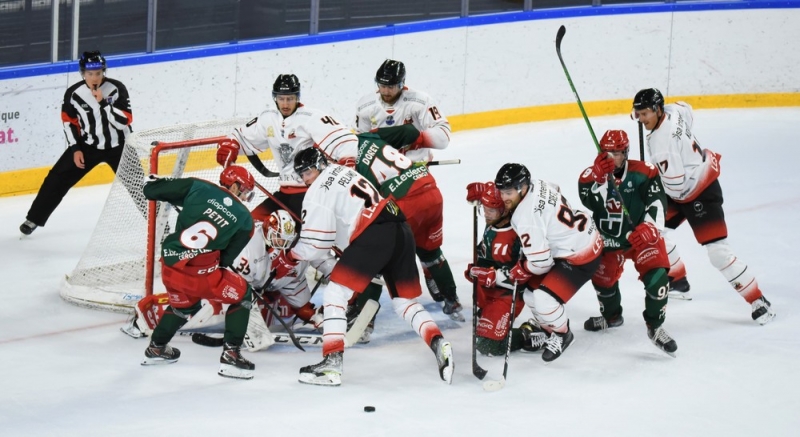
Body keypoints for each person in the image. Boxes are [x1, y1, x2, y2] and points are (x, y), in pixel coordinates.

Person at [274, 147, 454, 386]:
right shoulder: (344, 171)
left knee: (336, 293)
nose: (307, 178)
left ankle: (331, 365)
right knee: (404, 303)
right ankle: (438, 343)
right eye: (302, 175)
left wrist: (289, 257)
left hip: (375, 232)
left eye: (308, 172)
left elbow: (315, 244)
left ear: (319, 165)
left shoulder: (317, 190)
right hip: (400, 226)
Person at [632, 88, 776, 325]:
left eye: (645, 114)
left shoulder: (662, 145)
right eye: (638, 114)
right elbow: (688, 109)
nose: (641, 119)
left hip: (699, 192)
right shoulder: (674, 110)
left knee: (718, 252)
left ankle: (758, 300)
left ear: (657, 110)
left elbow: (676, 188)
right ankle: (678, 281)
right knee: (652, 231)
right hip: (689, 180)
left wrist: (648, 186)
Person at [354, 59, 457, 309]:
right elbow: (362, 145)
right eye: (382, 86)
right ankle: (440, 290)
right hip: (386, 185)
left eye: (392, 86)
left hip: (415, 177)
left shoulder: (420, 102)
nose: (386, 91)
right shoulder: (366, 106)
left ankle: (442, 291)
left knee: (393, 245)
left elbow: (444, 137)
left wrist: (417, 139)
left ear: (402, 84)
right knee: (417, 243)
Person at [139, 165, 257, 380]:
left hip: (170, 267)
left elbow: (150, 191)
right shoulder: (246, 220)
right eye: (245, 190)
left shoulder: (197, 186)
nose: (246, 196)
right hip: (204, 275)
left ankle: (157, 348)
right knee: (243, 295)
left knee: (184, 305)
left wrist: (159, 184)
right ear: (234, 185)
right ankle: (231, 355)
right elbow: (226, 260)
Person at [578, 129, 677, 356]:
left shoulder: (645, 172)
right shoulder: (587, 177)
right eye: (608, 153)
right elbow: (593, 204)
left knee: (658, 280)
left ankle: (655, 326)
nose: (613, 158)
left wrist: (650, 228)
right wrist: (600, 180)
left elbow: (657, 202)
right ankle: (611, 317)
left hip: (640, 237)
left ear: (626, 152)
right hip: (608, 240)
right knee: (604, 283)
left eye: (618, 153)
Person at [352, 124, 463, 321]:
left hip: (403, 202)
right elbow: (411, 132)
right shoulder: (371, 136)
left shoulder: (346, 162)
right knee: (431, 253)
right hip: (429, 187)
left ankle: (364, 323)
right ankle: (452, 300)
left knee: (374, 259)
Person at [493, 163, 603, 362]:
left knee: (544, 300)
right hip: (582, 236)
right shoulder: (538, 184)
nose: (503, 198)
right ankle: (548, 330)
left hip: (581, 255)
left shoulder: (525, 217)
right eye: (501, 192)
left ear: (522, 188)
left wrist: (523, 268)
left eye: (508, 192)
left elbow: (541, 263)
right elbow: (557, 189)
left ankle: (563, 335)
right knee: (529, 295)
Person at [20, 50, 137, 235]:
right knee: (56, 179)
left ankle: (161, 226)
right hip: (88, 146)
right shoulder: (74, 93)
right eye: (90, 74)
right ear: (83, 73)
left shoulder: (116, 89)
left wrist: (104, 104)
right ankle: (33, 219)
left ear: (103, 71)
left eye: (98, 73)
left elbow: (125, 120)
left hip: (120, 147)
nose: (94, 77)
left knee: (138, 186)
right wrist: (75, 149)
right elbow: (69, 122)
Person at [216, 73, 358, 223]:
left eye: (290, 98)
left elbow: (346, 139)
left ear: (297, 97)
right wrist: (230, 145)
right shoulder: (268, 118)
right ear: (274, 98)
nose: (285, 104)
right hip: (284, 195)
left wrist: (347, 169)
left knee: (296, 239)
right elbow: (239, 137)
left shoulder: (311, 118)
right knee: (252, 225)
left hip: (311, 194)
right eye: (281, 98)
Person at [464, 182, 548, 356]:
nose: (486, 214)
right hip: (488, 291)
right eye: (484, 208)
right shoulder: (493, 222)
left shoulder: (520, 234)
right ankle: (488, 315)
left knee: (488, 346)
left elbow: (524, 277)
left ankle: (527, 334)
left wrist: (494, 276)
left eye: (491, 210)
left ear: (504, 210)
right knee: (484, 334)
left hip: (508, 295)